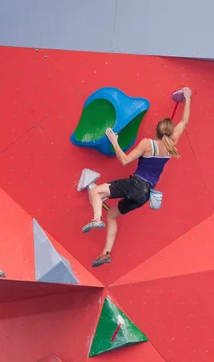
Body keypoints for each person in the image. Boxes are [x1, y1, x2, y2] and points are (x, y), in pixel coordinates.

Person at [82, 87, 193, 267]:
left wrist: (114, 142)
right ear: (171, 132)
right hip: (144, 195)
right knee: (111, 215)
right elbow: (185, 121)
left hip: (136, 184)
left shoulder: (147, 144)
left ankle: (96, 219)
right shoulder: (173, 144)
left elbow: (125, 160)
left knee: (95, 192)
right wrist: (187, 99)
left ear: (156, 130)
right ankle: (106, 253)